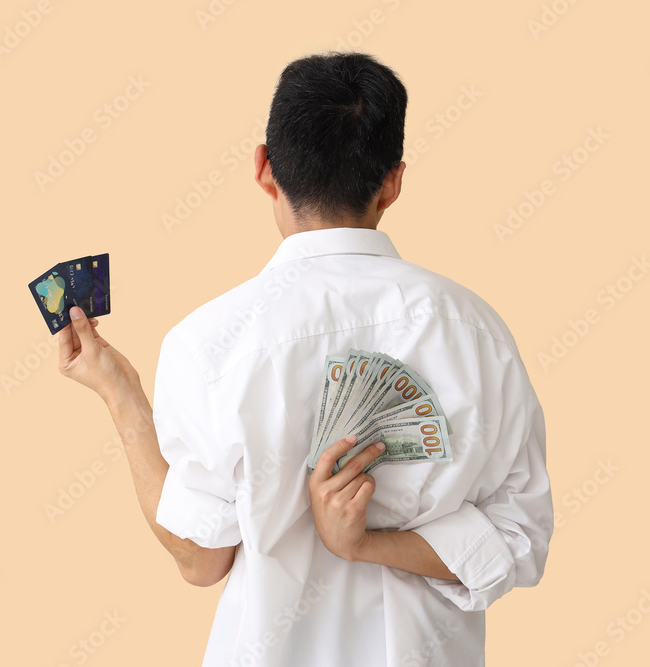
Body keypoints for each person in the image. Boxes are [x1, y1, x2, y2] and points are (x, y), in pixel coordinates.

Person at [57, 51, 553, 666]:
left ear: (265, 168)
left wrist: (121, 393)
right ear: (394, 182)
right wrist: (368, 546)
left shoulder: (208, 341)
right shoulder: (479, 331)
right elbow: (520, 543)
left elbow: (201, 559)